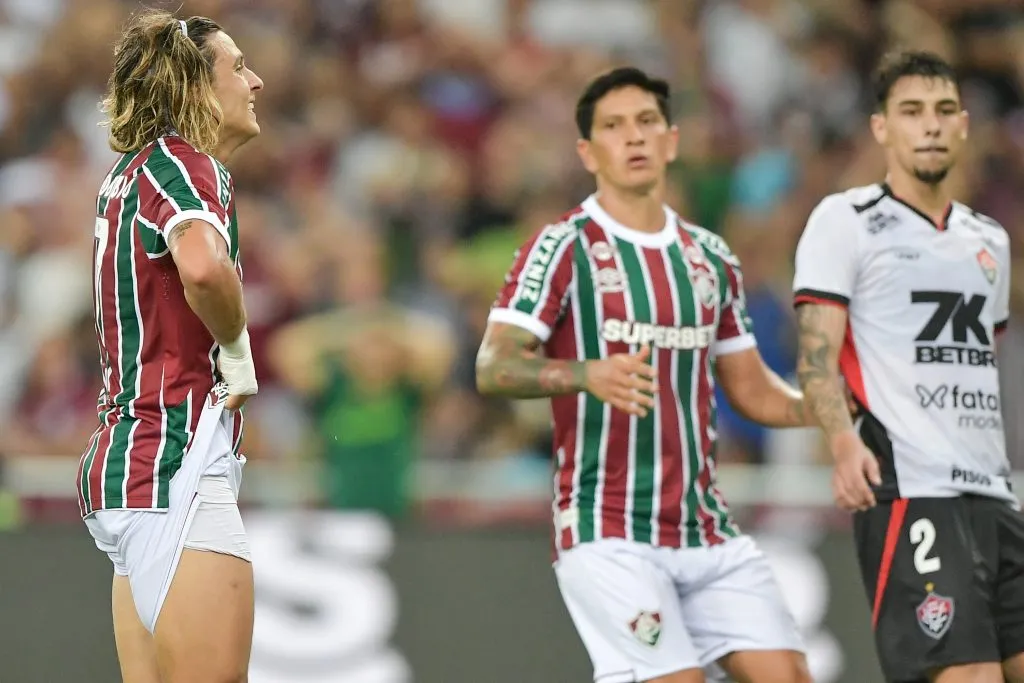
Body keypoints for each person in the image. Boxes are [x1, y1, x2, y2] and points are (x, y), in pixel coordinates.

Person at [476, 66, 813, 683]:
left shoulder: (712, 259)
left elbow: (753, 389)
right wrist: (585, 373)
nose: (633, 138)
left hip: (705, 529)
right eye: (613, 126)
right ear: (587, 151)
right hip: (607, 527)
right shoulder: (562, 246)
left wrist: (826, 404)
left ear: (671, 140)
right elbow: (494, 366)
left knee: (787, 675)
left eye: (646, 122)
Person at [793, 50, 1022, 683]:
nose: (930, 125)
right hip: (913, 489)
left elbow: (978, 357)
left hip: (994, 494)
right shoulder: (846, 221)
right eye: (912, 111)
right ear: (881, 129)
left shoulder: (989, 241)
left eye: (944, 111)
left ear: (964, 125)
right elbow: (816, 354)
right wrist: (841, 441)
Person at [75, 9, 263, 683]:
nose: (256, 81)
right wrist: (237, 346)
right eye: (238, 67)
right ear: (196, 89)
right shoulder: (186, 165)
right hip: (177, 464)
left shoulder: (128, 175)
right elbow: (205, 266)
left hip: (130, 464)